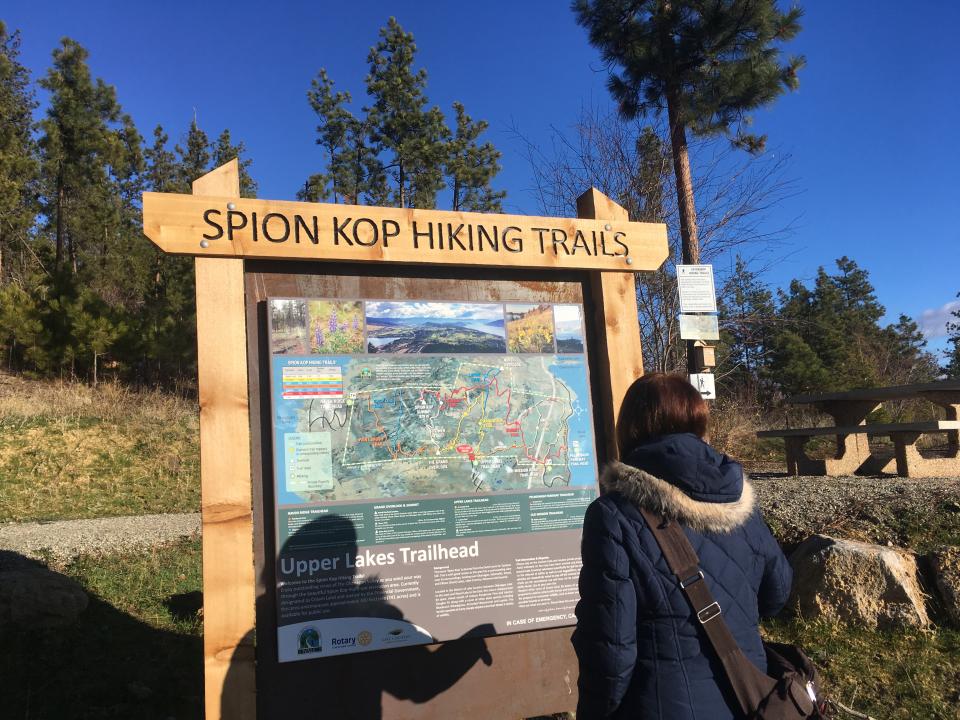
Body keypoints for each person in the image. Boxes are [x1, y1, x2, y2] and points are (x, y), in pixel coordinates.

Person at [572, 373, 792, 719]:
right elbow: (777, 595)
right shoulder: (740, 502)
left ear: (630, 429)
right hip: (749, 700)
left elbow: (611, 651)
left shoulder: (613, 516)